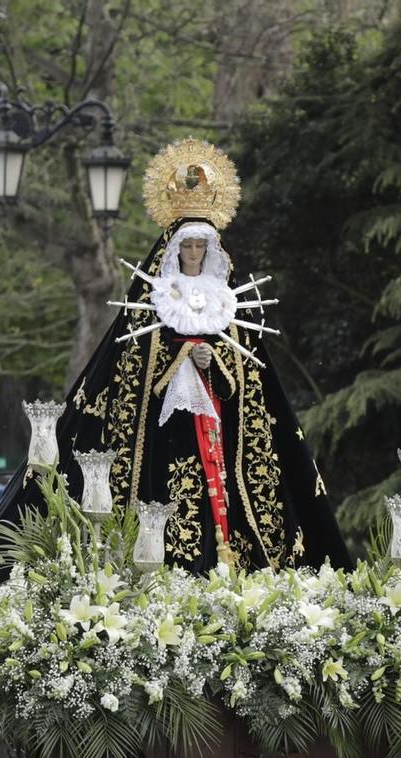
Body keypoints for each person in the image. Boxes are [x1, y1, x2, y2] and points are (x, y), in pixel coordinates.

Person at [57, 146, 347, 573]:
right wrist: (180, 357)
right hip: (164, 430)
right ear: (174, 248)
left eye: (199, 245)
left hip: (218, 417)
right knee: (171, 494)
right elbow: (131, 366)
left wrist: (216, 362)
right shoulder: (155, 299)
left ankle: (232, 559)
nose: (193, 252)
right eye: (187, 244)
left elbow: (251, 370)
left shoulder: (225, 300)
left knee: (224, 488)